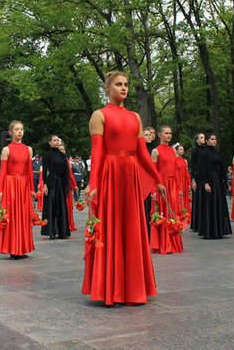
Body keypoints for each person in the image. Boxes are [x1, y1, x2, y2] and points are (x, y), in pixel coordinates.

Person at [82, 71, 165, 306]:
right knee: (111, 227)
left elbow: (142, 153)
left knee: (131, 228)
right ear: (108, 88)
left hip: (130, 176)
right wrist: (94, 183)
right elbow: (97, 153)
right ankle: (112, 289)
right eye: (118, 84)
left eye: (126, 84)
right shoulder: (99, 116)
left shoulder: (135, 118)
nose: (123, 88)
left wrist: (157, 178)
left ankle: (133, 288)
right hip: (110, 173)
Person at [0, 121, 36, 259]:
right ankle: (13, 248)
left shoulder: (28, 149)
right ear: (11, 132)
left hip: (24, 186)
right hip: (11, 185)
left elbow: (30, 171)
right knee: (12, 216)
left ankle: (22, 248)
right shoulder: (6, 150)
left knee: (23, 216)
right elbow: (3, 172)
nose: (20, 132)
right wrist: (0, 190)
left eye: (21, 129)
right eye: (17, 129)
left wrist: (32, 188)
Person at [150, 126, 184, 254]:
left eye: (170, 133)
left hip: (173, 185)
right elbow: (152, 171)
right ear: (159, 135)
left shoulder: (173, 151)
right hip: (161, 185)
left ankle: (173, 242)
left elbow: (176, 171)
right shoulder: (155, 151)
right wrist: (154, 188)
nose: (169, 135)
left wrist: (179, 188)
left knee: (172, 211)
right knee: (163, 212)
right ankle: (163, 243)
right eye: (166, 133)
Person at [195, 133, 232, 239]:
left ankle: (220, 229)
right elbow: (202, 169)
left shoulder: (217, 152)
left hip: (218, 181)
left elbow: (222, 167)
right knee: (210, 204)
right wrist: (205, 182)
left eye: (215, 139)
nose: (214, 141)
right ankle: (209, 230)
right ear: (207, 141)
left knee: (219, 204)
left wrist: (225, 182)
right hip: (210, 180)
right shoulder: (204, 153)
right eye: (212, 139)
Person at [41, 135, 70, 239]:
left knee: (61, 206)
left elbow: (66, 172)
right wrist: (45, 184)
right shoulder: (47, 155)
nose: (56, 142)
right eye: (54, 140)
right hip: (51, 182)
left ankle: (62, 231)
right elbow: (44, 171)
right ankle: (51, 231)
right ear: (50, 142)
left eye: (58, 140)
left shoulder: (63, 156)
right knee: (51, 206)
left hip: (61, 182)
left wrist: (67, 185)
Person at [59, 144, 79, 232]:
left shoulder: (66, 161)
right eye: (60, 150)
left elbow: (71, 174)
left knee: (68, 207)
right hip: (58, 186)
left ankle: (68, 224)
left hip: (67, 187)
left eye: (63, 150)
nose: (62, 152)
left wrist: (75, 185)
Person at [189, 133, 206, 232]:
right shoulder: (194, 151)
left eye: (204, 137)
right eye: (201, 138)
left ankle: (204, 222)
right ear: (197, 140)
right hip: (197, 178)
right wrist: (193, 179)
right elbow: (193, 166)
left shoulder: (206, 150)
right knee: (198, 200)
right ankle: (197, 224)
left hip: (205, 177)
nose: (203, 139)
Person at [143, 126, 157, 238]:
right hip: (141, 182)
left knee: (149, 209)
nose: (150, 136)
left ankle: (148, 235)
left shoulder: (153, 149)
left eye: (150, 134)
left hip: (150, 181)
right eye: (146, 135)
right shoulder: (140, 150)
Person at [175, 144, 192, 220]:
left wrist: (189, 183)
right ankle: (179, 214)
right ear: (177, 150)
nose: (182, 151)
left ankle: (185, 215)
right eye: (180, 149)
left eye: (183, 149)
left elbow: (186, 172)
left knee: (185, 198)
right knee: (178, 198)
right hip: (178, 180)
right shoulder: (174, 159)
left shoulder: (185, 160)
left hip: (184, 181)